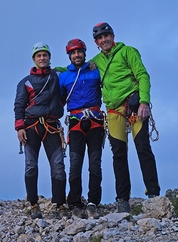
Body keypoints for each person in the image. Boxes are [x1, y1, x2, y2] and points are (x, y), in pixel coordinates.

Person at [90, 22, 160, 213]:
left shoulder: (128, 52)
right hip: (113, 110)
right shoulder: (95, 61)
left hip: (134, 105)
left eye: (107, 36)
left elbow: (143, 76)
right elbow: (76, 70)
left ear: (113, 36)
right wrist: (57, 71)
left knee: (143, 147)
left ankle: (153, 193)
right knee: (118, 154)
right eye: (100, 38)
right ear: (96, 42)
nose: (104, 40)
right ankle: (122, 199)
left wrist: (144, 101)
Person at [14, 42, 70, 219]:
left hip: (51, 126)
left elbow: (74, 69)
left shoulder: (57, 76)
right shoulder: (25, 82)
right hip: (31, 127)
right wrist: (19, 128)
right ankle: (33, 204)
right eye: (39, 55)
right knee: (31, 166)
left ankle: (60, 204)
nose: (42, 58)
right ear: (34, 59)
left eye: (45, 55)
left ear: (49, 57)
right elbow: (19, 106)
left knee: (58, 166)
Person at [59, 38, 105, 219]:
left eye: (79, 52)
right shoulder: (64, 76)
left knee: (95, 163)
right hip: (76, 121)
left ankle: (93, 201)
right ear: (69, 55)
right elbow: (61, 99)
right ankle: (75, 202)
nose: (76, 55)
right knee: (75, 164)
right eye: (73, 53)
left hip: (95, 119)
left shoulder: (96, 71)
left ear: (85, 53)